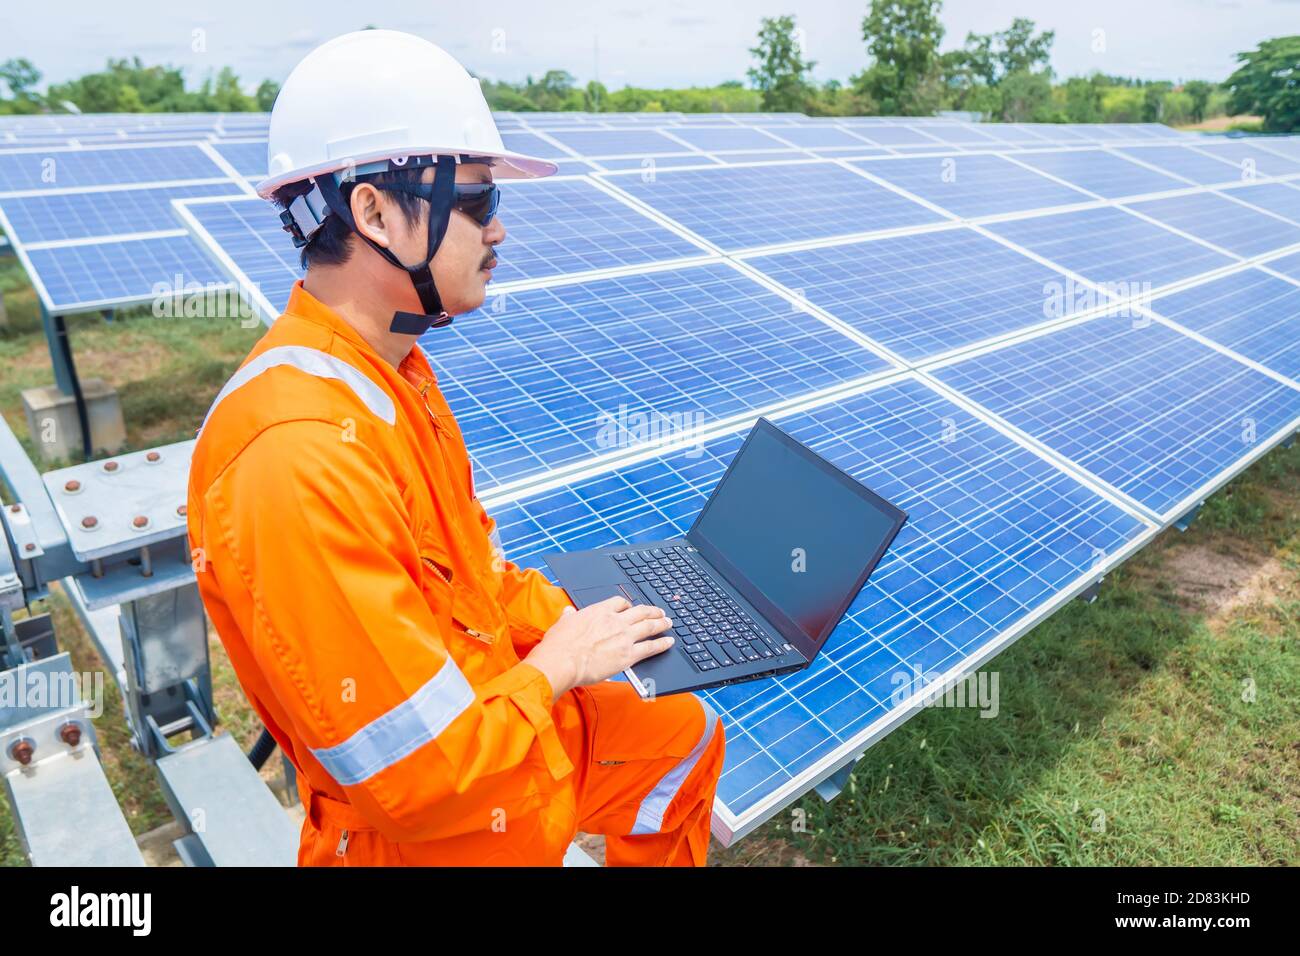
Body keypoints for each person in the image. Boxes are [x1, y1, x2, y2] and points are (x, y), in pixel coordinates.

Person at [186, 29, 725, 866]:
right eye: (475, 202)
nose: (498, 230)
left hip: (500, 736)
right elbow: (417, 775)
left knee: (680, 734)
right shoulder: (295, 456)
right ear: (372, 213)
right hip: (432, 830)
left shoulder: (393, 374)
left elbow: (468, 582)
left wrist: (594, 622)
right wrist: (556, 666)